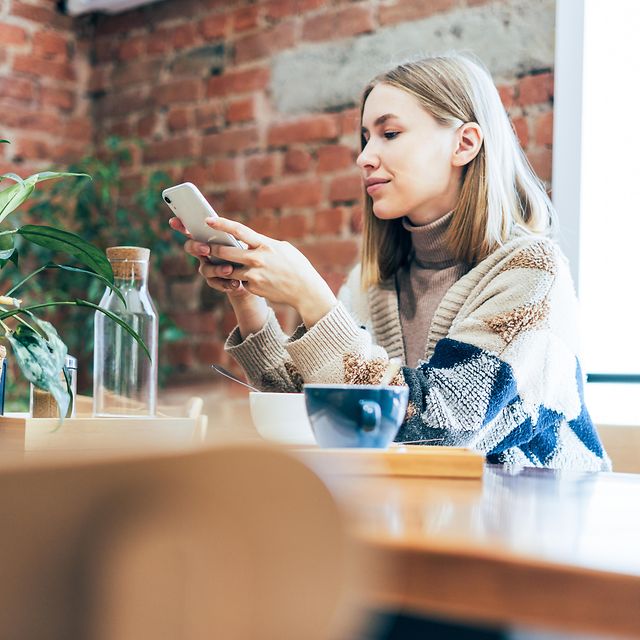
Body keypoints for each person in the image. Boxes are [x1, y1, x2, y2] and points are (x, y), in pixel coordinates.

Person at [169, 52, 610, 472]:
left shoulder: (531, 273)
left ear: (465, 143)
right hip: (433, 520)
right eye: (365, 138)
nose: (364, 157)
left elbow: (444, 427)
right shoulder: (372, 284)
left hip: (540, 530)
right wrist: (248, 303)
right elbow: (319, 411)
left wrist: (313, 299)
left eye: (390, 134)